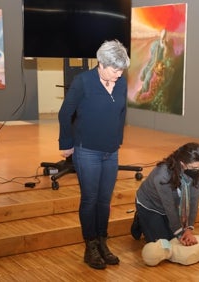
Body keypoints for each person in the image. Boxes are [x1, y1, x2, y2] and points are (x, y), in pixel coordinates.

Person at [58, 40, 130, 270]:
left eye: (121, 70)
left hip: (111, 152)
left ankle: (102, 241)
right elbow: (65, 113)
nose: (118, 74)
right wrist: (66, 143)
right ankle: (90, 246)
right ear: (101, 63)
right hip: (87, 150)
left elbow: (121, 113)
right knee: (90, 199)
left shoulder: (120, 83)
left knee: (104, 200)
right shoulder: (83, 82)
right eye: (114, 69)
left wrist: (117, 140)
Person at [131, 142, 199, 247]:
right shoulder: (163, 175)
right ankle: (140, 218)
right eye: (193, 167)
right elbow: (169, 206)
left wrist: (188, 229)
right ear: (182, 163)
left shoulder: (197, 173)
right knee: (164, 244)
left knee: (174, 239)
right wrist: (180, 234)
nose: (197, 171)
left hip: (168, 208)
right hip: (150, 205)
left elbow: (194, 201)